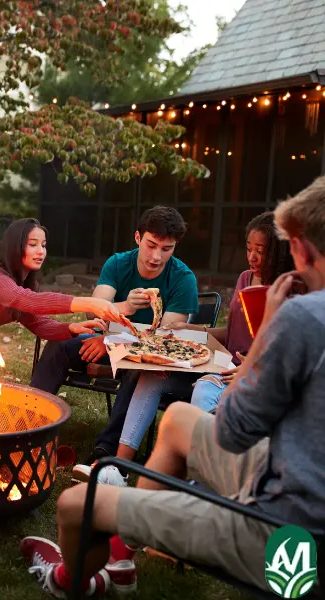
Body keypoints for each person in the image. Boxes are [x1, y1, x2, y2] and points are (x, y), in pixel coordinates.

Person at [19, 176, 325, 596]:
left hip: (288, 530)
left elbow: (234, 430)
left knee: (75, 506)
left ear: (302, 250)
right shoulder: (120, 264)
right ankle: (122, 554)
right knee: (179, 418)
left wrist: (268, 330)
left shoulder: (301, 317)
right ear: (138, 239)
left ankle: (67, 580)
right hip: (289, 471)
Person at [76, 211, 293, 486]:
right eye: (249, 248)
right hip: (221, 366)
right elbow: (235, 331)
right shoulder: (245, 279)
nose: (251, 257)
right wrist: (194, 332)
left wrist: (253, 368)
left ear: (279, 251)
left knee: (203, 386)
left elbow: (286, 349)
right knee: (151, 376)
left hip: (244, 377)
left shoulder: (290, 292)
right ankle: (119, 468)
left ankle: (195, 478)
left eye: (260, 251)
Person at [30, 206, 199, 470]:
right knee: (60, 344)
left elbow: (161, 339)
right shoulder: (119, 263)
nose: (156, 256)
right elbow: (93, 306)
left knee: (137, 367)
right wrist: (126, 308)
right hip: (106, 340)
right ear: (137, 238)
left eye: (166, 249)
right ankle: (31, 425)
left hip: (142, 356)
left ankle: (105, 450)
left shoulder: (183, 278)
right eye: (151, 245)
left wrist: (109, 343)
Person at [0, 218, 124, 345]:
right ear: (16, 246)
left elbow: (39, 324)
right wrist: (89, 303)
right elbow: (28, 300)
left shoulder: (23, 283)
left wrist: (71, 327)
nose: (41, 251)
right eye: (33, 244)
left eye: (44, 245)